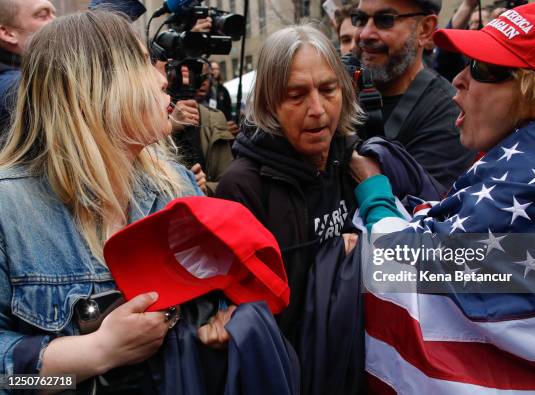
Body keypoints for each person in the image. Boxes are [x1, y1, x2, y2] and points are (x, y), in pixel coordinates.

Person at [351, 4, 535, 390]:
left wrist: (371, 185)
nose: (458, 79)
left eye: (483, 68)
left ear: (534, 90)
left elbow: (401, 258)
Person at [0, 11, 230, 392]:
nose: (162, 79)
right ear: (96, 87)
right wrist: (96, 352)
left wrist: (224, 319)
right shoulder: (10, 209)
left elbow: (220, 291)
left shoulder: (176, 184)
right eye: (142, 64)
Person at [216, 25, 363, 347]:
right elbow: (259, 313)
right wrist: (341, 256)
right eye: (296, 96)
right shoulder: (242, 188)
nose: (317, 109)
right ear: (269, 103)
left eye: (328, 90)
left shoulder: (357, 162)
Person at [352, 0, 475, 189]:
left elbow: (419, 208)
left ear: (425, 29)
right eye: (360, 19)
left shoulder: (448, 114)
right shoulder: (336, 92)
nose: (365, 34)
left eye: (385, 20)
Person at [171, 60, 235, 196]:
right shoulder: (150, 123)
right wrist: (169, 127)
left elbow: (229, 182)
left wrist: (205, 188)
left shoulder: (214, 118)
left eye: (204, 77)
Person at [0, 0, 55, 134]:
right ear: (7, 33)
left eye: (54, 14)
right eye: (42, 15)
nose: (55, 21)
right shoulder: (13, 88)